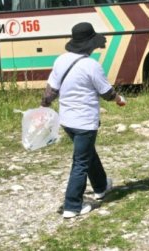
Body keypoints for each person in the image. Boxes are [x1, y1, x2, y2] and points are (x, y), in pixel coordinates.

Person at [41, 22, 126, 218]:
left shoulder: (60, 60)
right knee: (80, 161)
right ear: (89, 44)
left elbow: (51, 91)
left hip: (67, 120)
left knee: (87, 152)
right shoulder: (91, 65)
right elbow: (106, 93)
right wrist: (119, 100)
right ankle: (72, 205)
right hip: (85, 121)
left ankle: (101, 186)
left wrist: (43, 107)